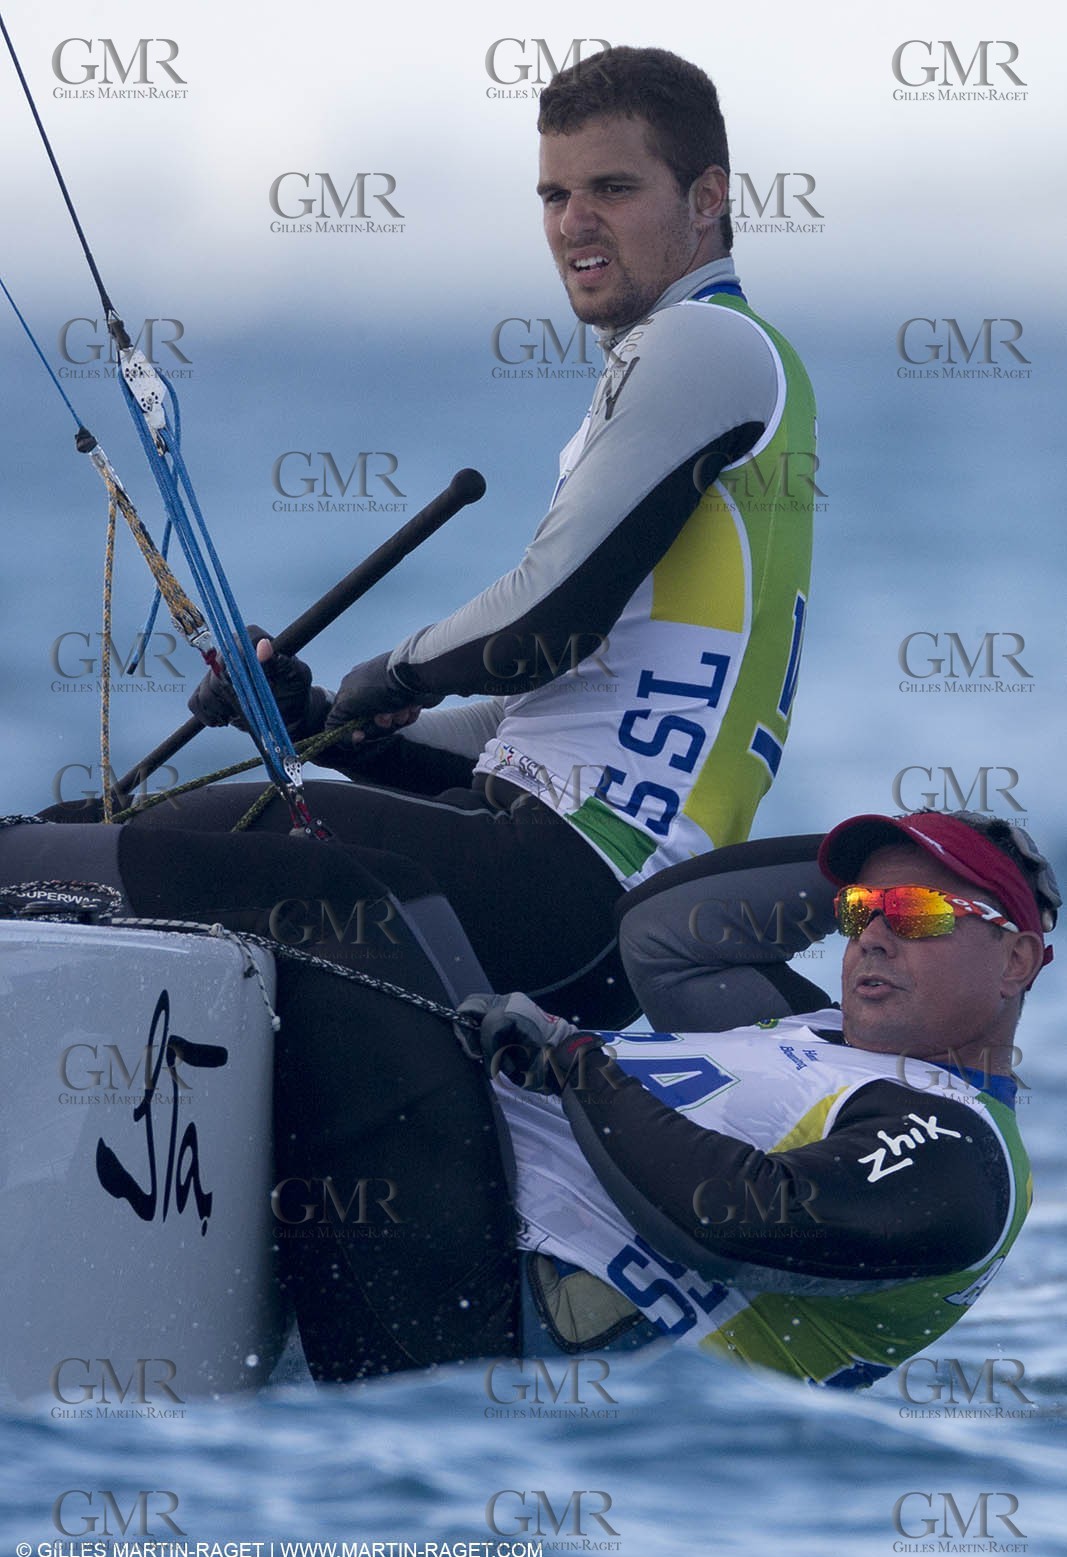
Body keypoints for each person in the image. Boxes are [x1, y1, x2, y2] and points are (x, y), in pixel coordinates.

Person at [150, 44, 817, 1027]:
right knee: (145, 847)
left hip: (564, 880)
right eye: (552, 194)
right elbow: (526, 733)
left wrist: (401, 665)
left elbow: (547, 616)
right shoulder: (701, 370)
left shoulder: (705, 344)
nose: (571, 221)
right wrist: (321, 720)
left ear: (706, 196)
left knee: (108, 847)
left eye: (611, 187)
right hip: (573, 899)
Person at [272, 809, 1057, 1390]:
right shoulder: (812, 1029)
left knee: (326, 900)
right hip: (444, 1197)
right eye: (857, 915)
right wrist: (897, 867)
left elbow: (732, 1222)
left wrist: (576, 1061)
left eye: (915, 916)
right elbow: (668, 930)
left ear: (1016, 961)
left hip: (494, 1331)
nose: (871, 940)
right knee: (373, 879)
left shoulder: (962, 1156)